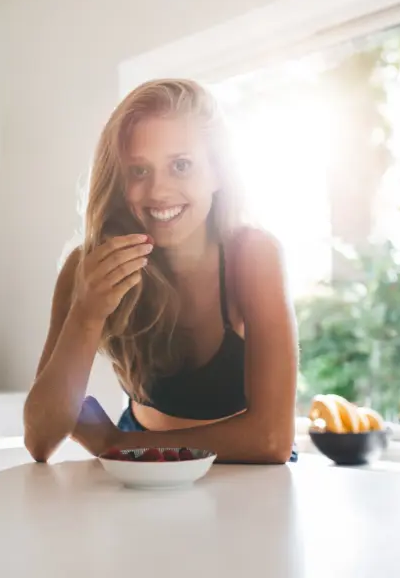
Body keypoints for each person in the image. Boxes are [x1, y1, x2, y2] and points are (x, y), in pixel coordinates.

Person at [23, 78, 298, 464]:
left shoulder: (252, 256)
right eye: (138, 171)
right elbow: (40, 440)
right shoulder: (85, 268)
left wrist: (116, 445)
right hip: (137, 459)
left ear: (218, 172)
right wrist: (86, 315)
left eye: (181, 165)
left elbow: (270, 440)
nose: (158, 191)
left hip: (239, 466)